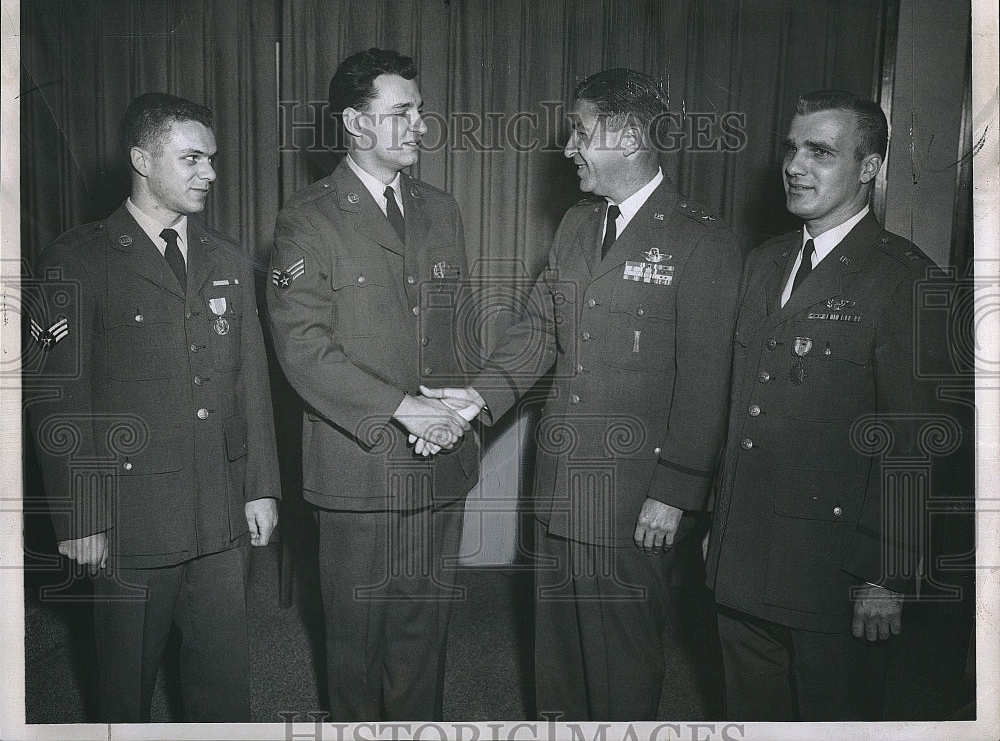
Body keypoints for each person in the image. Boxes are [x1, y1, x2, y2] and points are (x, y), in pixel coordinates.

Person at [424, 68, 743, 720]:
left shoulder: (700, 239)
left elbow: (708, 380)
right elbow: (539, 330)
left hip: (633, 497)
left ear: (627, 136)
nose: (568, 147)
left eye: (580, 130)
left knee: (621, 661)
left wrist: (675, 492)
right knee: (559, 664)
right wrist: (473, 401)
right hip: (560, 486)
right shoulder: (575, 225)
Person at [26, 92, 281, 722]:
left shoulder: (228, 258)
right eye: (191, 158)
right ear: (142, 159)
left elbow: (250, 385)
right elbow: (57, 402)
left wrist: (261, 488)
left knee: (222, 687)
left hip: (218, 515)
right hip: (130, 518)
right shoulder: (78, 258)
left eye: (212, 159)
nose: (210, 173)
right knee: (123, 688)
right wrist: (80, 519)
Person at [704, 90, 944, 720]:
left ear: (869, 168)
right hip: (748, 553)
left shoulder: (905, 279)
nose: (795, 165)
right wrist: (718, 526)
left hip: (835, 570)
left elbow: (914, 441)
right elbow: (740, 411)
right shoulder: (763, 264)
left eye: (820, 151)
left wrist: (884, 574)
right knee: (749, 713)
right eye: (791, 147)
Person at [266, 48, 479, 721]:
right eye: (401, 112)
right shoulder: (309, 217)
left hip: (438, 461)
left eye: (419, 109)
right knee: (356, 643)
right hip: (358, 469)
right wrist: (401, 409)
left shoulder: (441, 210)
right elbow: (302, 348)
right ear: (357, 125)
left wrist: (449, 413)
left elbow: (457, 333)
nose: (420, 123)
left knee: (424, 635)